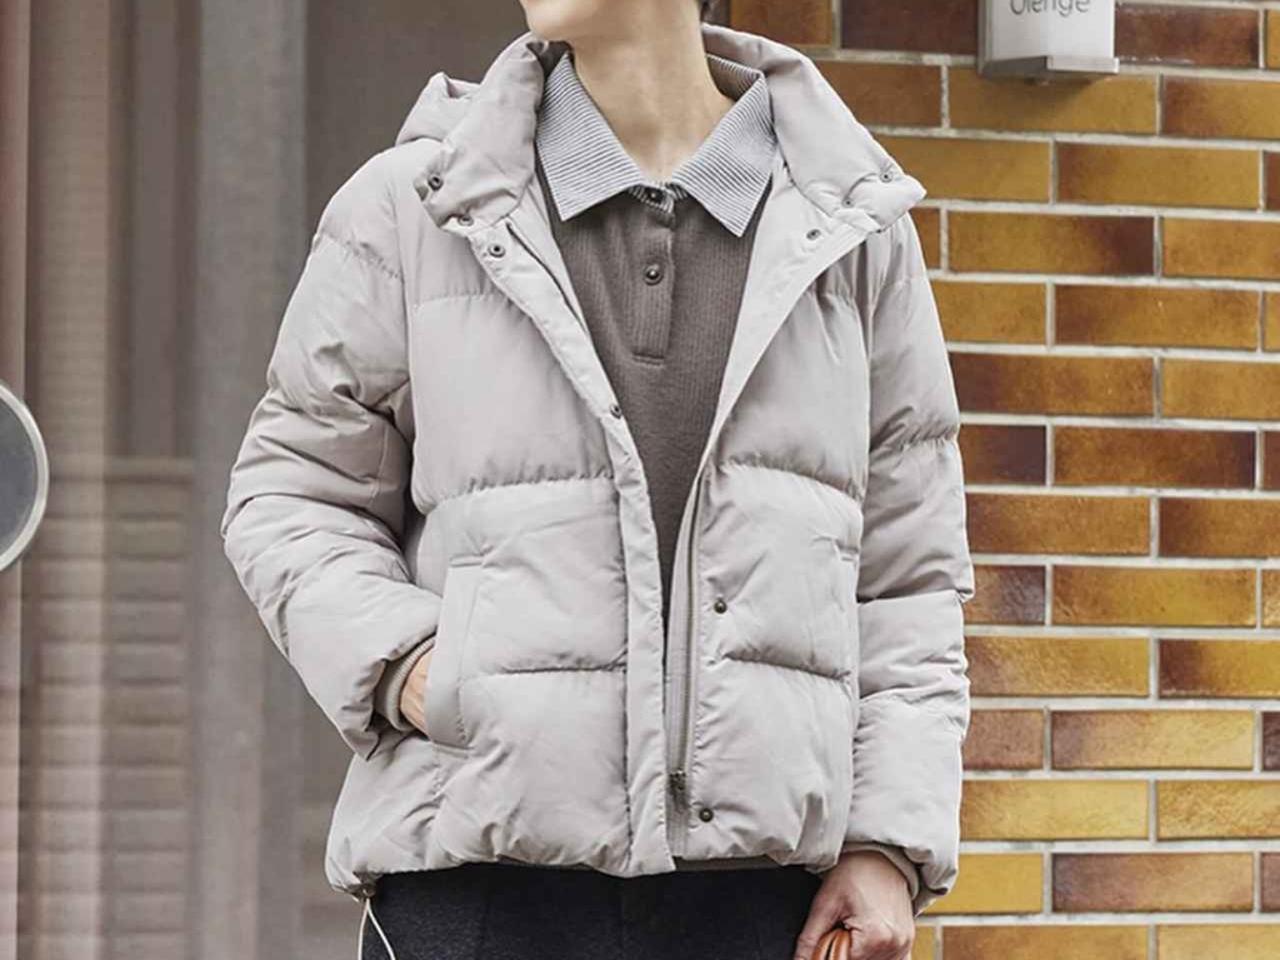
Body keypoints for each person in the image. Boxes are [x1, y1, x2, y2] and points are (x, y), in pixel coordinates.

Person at [219, 0, 975, 957]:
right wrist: (414, 671)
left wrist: (887, 845)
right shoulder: (418, 205)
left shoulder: (852, 227)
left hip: (758, 909)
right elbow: (290, 495)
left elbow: (909, 581)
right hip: (479, 891)